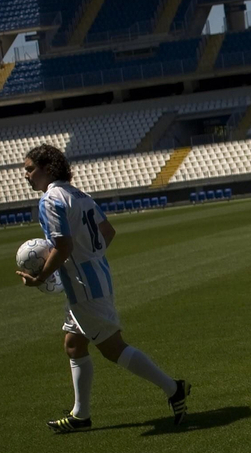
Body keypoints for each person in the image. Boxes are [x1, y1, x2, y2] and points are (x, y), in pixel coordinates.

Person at [16, 144, 190, 432]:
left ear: (48, 169)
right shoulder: (79, 195)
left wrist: (41, 277)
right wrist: (90, 258)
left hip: (85, 288)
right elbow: (108, 232)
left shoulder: (50, 199)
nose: (27, 176)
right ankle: (80, 415)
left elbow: (63, 247)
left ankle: (174, 388)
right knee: (74, 345)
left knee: (113, 349)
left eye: (30, 169)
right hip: (94, 278)